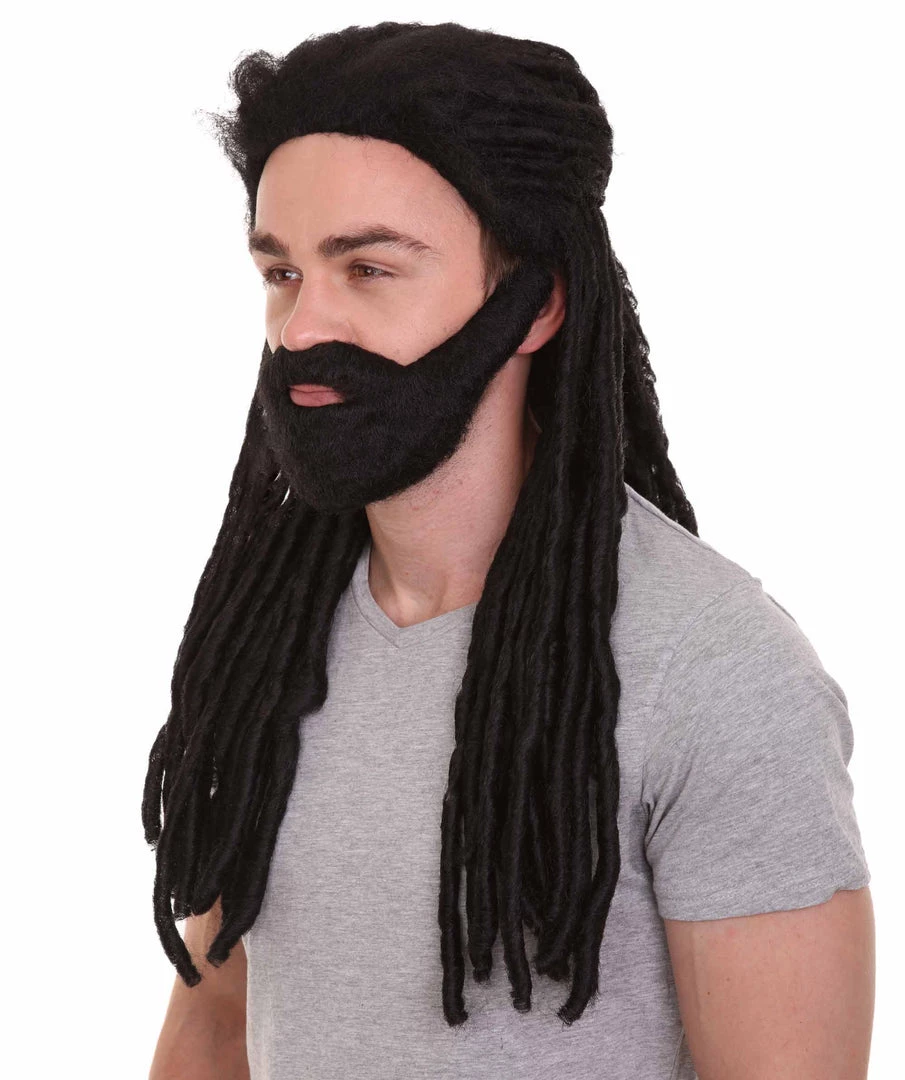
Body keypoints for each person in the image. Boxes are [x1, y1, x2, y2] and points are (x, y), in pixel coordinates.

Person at [145, 21, 874, 1080]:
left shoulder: (713, 670)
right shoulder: (269, 637)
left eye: (368, 268)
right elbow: (216, 1027)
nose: (301, 328)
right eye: (282, 272)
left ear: (535, 304)